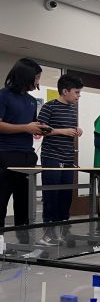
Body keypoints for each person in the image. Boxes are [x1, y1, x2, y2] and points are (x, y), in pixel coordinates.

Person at [0, 58, 50, 242]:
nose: (37, 82)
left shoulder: (31, 101)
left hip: (26, 156)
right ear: (25, 76)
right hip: (5, 155)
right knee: (1, 203)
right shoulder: (3, 96)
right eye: (36, 78)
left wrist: (37, 128)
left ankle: (25, 246)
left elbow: (29, 126)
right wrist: (25, 127)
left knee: (24, 205)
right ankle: (0, 247)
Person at [37, 74, 84, 246]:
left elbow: (68, 128)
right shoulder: (49, 107)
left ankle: (60, 232)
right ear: (65, 91)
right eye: (76, 92)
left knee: (65, 196)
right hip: (51, 156)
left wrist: (76, 129)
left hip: (68, 157)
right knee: (52, 195)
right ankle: (47, 234)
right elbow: (40, 129)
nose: (78, 96)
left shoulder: (72, 108)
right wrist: (62, 131)